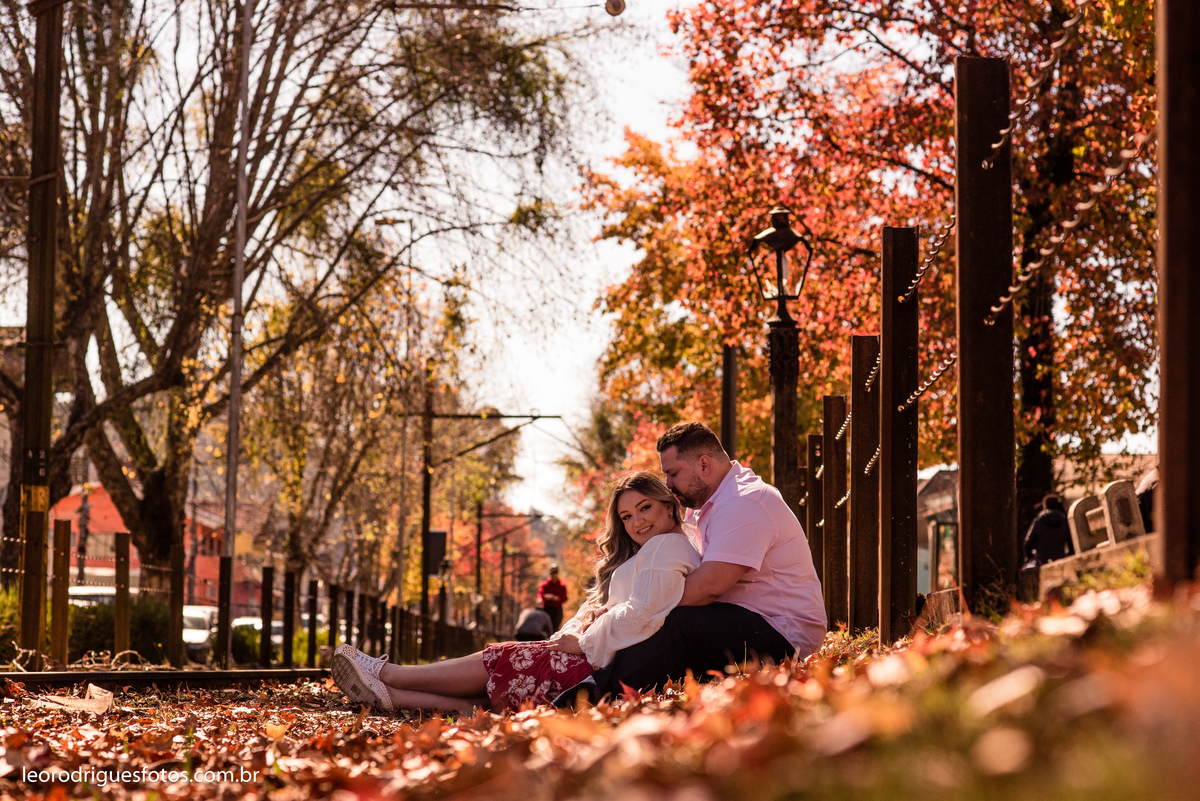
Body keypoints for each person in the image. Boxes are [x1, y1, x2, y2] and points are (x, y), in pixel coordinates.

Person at [330, 472, 700, 714]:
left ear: (669, 506)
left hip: (595, 664)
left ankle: (388, 673)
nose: (637, 522)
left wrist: (584, 643)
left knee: (502, 657)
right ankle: (389, 696)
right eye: (626, 517)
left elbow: (643, 613)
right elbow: (615, 607)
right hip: (598, 656)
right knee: (481, 698)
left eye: (645, 508)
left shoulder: (667, 548)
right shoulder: (655, 549)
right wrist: (567, 634)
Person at [558, 422, 826, 706]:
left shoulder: (744, 502)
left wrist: (629, 615)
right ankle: (586, 686)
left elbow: (706, 588)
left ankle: (579, 702)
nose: (668, 484)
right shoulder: (704, 510)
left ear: (704, 464)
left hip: (783, 633)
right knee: (655, 621)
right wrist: (626, 613)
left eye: (673, 473)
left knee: (673, 624)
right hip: (742, 621)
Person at [1022, 494, 1074, 566]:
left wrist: (1030, 555)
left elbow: (1028, 544)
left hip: (1042, 562)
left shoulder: (1039, 521)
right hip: (1061, 562)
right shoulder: (1065, 521)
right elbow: (1072, 544)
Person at [537, 564, 567, 630]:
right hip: (547, 609)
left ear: (557, 573)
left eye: (555, 573)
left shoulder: (561, 586)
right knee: (546, 628)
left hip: (557, 610)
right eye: (552, 573)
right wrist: (540, 599)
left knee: (555, 628)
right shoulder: (545, 585)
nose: (554, 575)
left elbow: (564, 598)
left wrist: (555, 598)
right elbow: (540, 595)